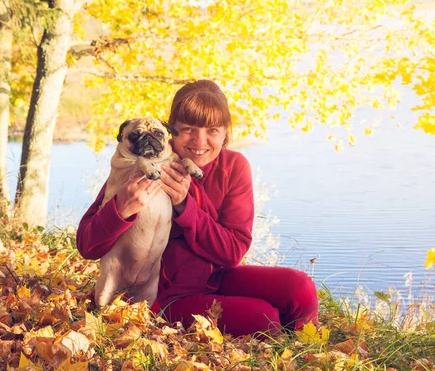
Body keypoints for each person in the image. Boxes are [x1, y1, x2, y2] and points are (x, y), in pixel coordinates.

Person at [77, 79, 319, 337]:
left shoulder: (233, 167)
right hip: (163, 293)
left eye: (212, 130)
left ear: (226, 133)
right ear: (172, 131)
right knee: (264, 318)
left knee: (300, 288)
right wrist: (120, 211)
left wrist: (184, 205)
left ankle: (305, 348)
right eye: (188, 129)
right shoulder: (145, 163)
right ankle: (278, 338)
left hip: (216, 278)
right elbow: (87, 245)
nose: (200, 141)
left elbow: (232, 252)